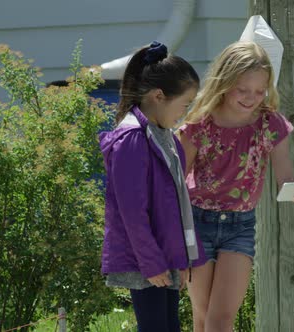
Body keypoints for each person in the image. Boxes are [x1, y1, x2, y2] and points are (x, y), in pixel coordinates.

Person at [177, 41, 294, 331]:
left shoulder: (270, 124)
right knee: (203, 318)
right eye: (242, 89)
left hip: (240, 227)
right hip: (196, 223)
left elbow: (286, 180)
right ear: (224, 82)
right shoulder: (199, 125)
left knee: (220, 321)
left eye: (259, 91)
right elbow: (176, 183)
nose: (251, 98)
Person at [99, 41, 207, 332]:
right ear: (159, 96)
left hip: (166, 258)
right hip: (146, 262)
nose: (184, 114)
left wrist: (181, 258)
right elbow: (132, 212)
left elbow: (177, 204)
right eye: (184, 105)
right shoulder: (131, 139)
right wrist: (152, 263)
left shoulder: (166, 137)